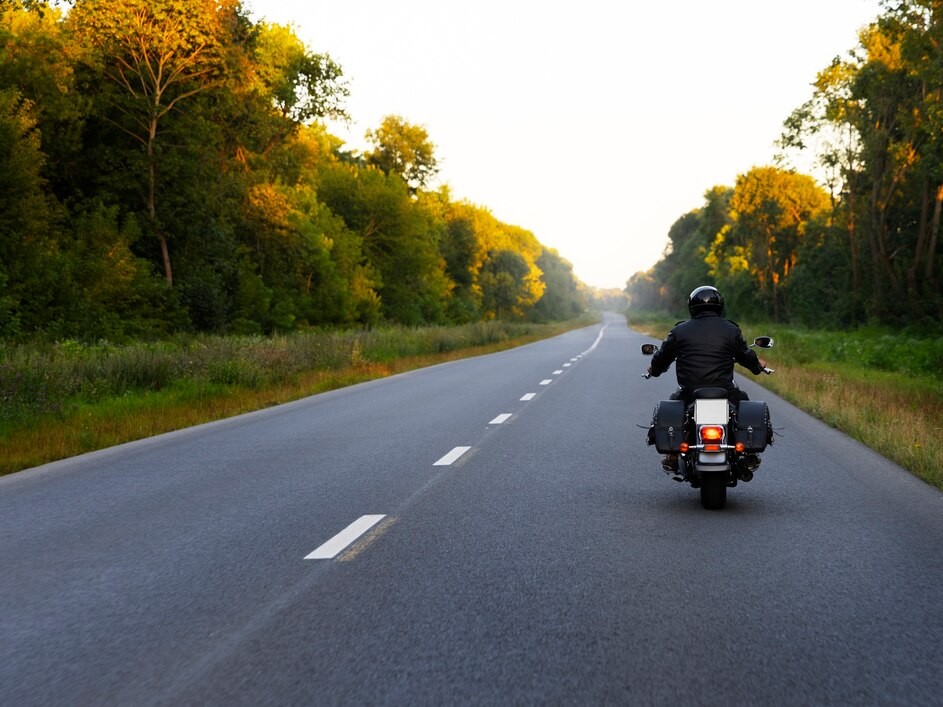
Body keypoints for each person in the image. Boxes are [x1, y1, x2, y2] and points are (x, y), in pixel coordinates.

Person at [646, 285, 769, 471]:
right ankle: (750, 452)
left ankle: (672, 455)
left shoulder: (680, 331)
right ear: (720, 306)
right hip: (724, 390)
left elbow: (662, 357)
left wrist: (654, 370)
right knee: (742, 400)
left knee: (674, 404)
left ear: (692, 307)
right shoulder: (731, 330)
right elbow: (745, 356)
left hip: (690, 392)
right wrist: (757, 366)